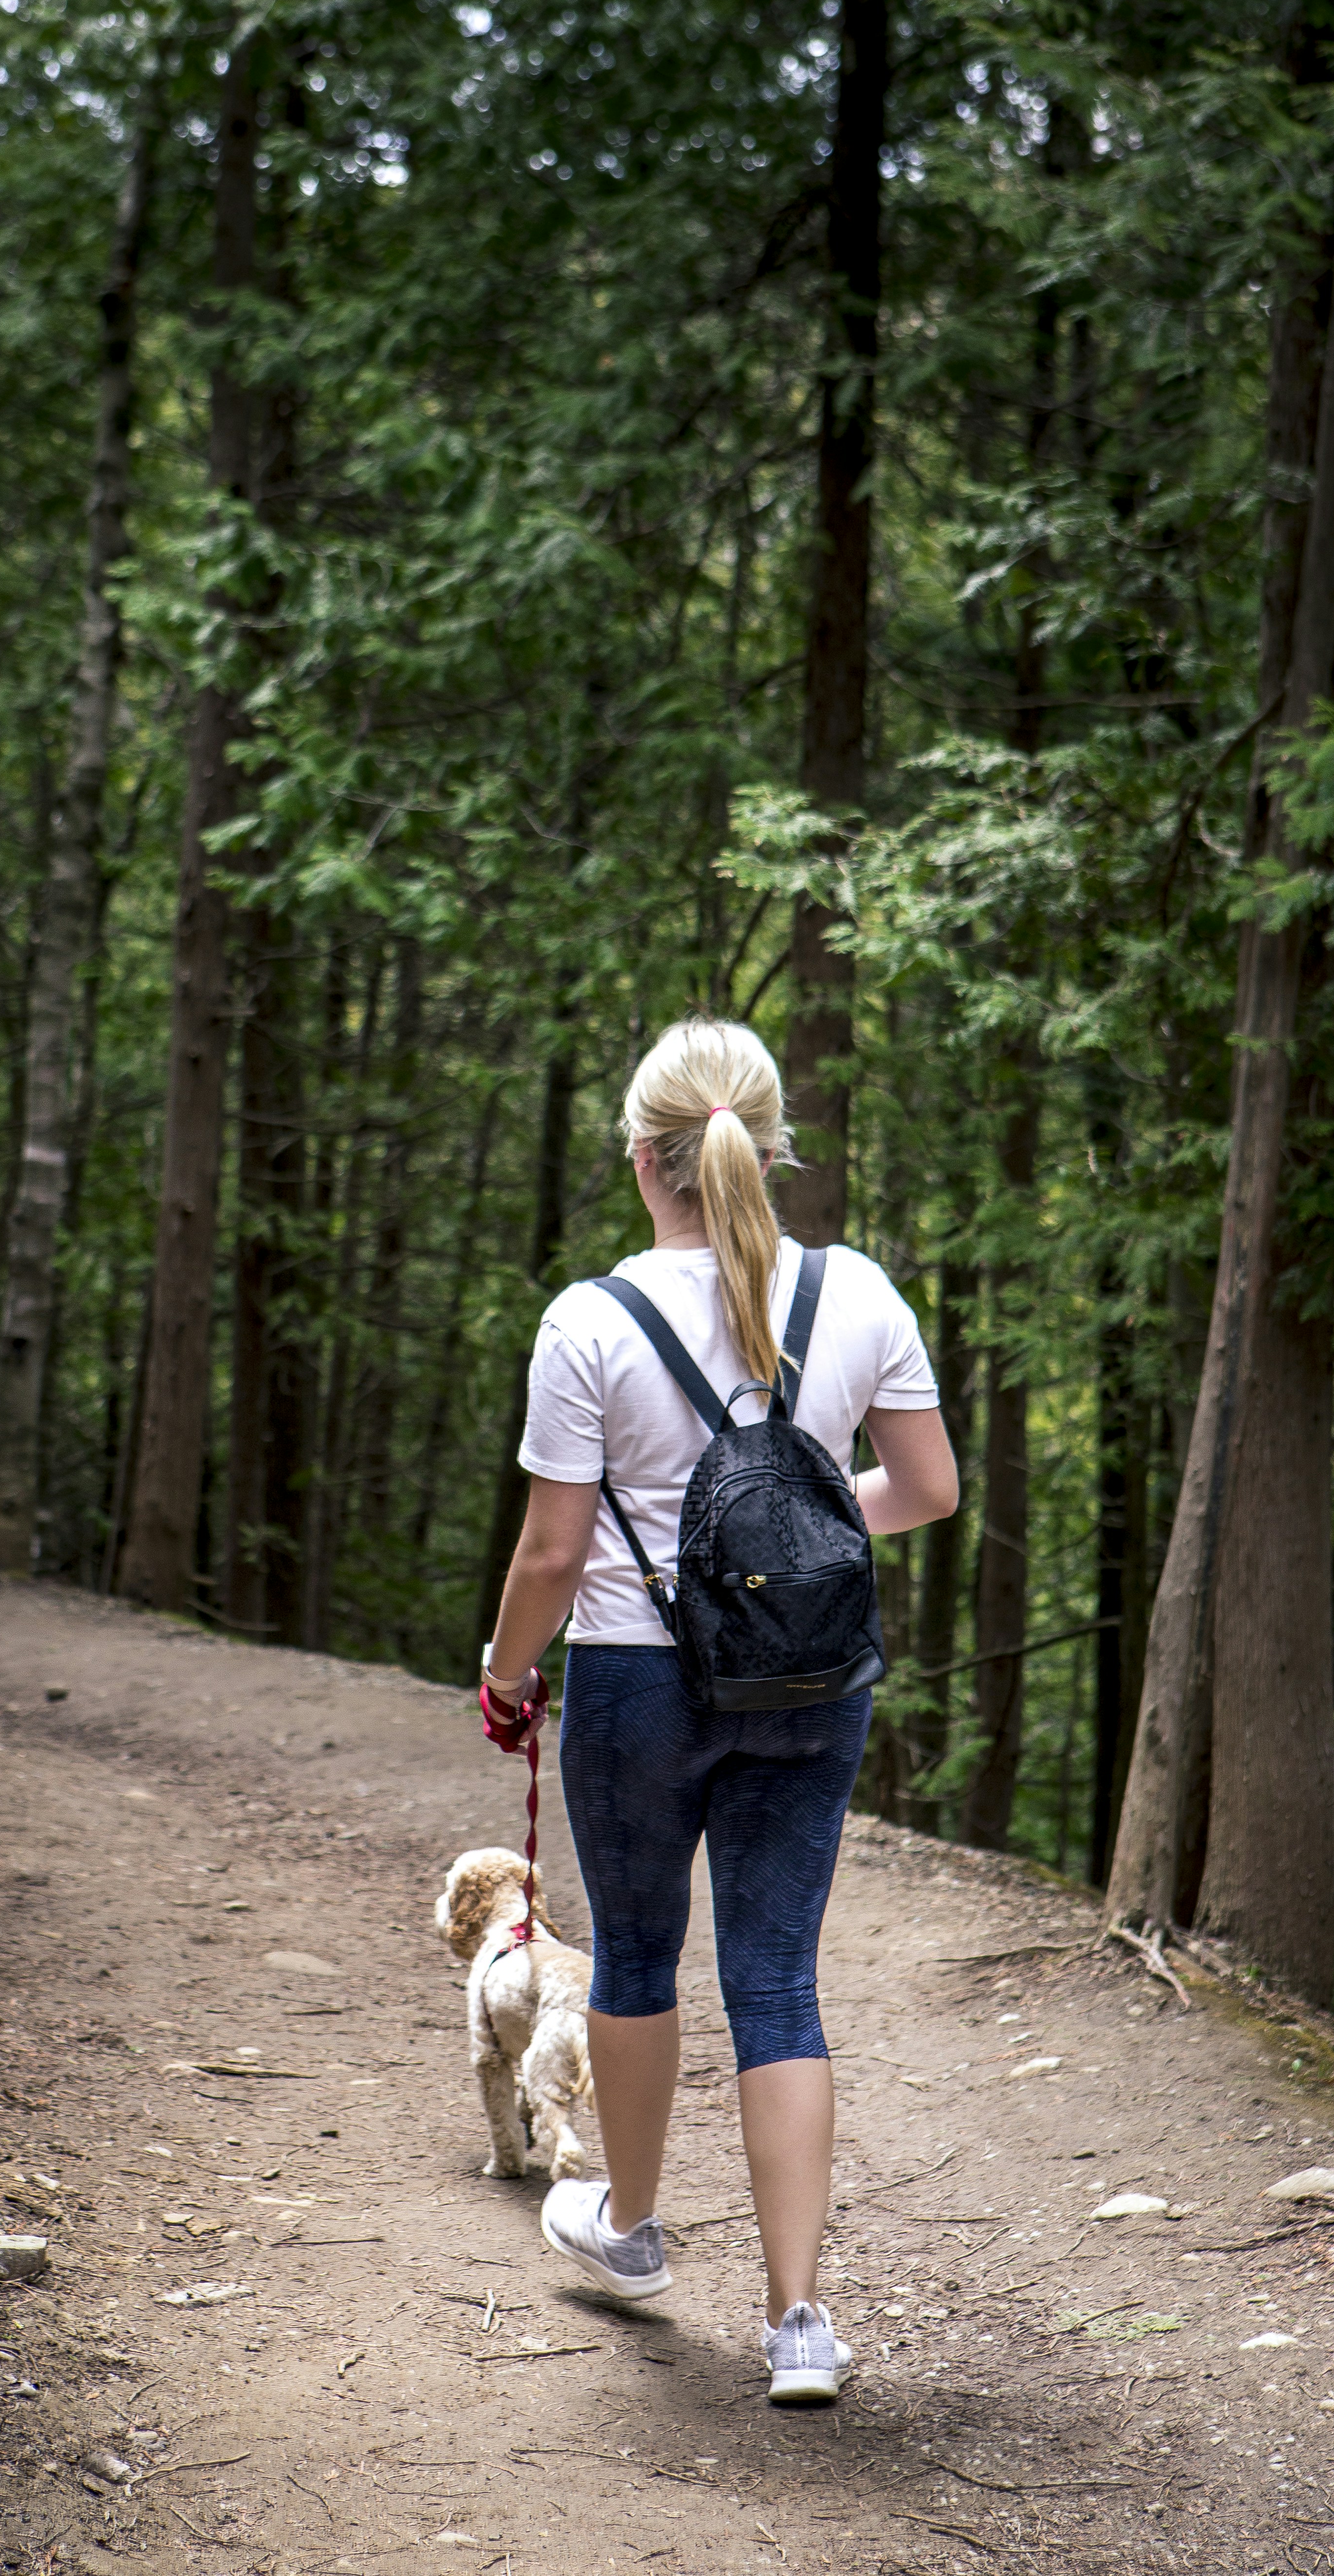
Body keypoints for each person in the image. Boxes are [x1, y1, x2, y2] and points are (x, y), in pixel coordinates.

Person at [478, 1016, 958, 2404]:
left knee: (635, 1960)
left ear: (644, 1159)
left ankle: (629, 2232)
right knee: (777, 1980)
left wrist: (511, 1674)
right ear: (772, 1144)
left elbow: (554, 1556)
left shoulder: (590, 1321)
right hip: (811, 1680)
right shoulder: (860, 1294)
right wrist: (796, 1549)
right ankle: (800, 2323)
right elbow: (923, 1493)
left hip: (635, 1678)